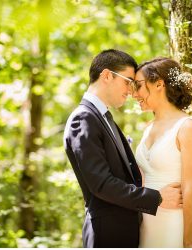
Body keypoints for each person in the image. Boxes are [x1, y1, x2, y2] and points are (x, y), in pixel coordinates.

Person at [63, 49, 183, 248]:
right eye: (128, 81)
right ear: (107, 75)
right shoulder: (83, 118)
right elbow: (101, 184)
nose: (132, 91)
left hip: (127, 232)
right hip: (107, 235)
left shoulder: (103, 118)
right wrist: (157, 198)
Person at [132, 57, 192, 248]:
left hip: (174, 223)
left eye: (138, 86)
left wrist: (189, 242)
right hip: (146, 222)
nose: (134, 94)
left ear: (159, 84)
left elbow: (189, 192)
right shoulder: (148, 128)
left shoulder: (187, 127)